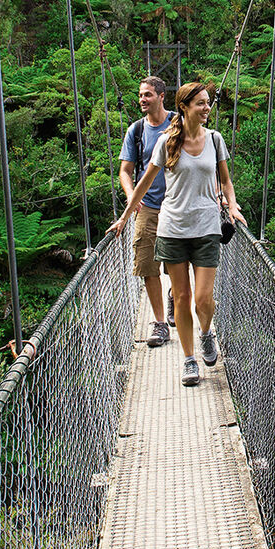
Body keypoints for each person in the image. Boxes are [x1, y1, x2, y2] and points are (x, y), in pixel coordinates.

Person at [108, 82, 246, 386]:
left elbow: (226, 181)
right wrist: (124, 218)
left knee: (203, 299)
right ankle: (188, 359)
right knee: (182, 299)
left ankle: (206, 333)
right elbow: (143, 183)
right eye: (200, 103)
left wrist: (232, 206)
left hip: (207, 228)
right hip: (172, 230)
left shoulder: (215, 139)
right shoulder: (167, 143)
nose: (207, 108)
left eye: (208, 102)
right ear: (184, 107)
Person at [118, 76, 175, 348]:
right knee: (146, 264)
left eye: (148, 95)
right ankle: (160, 323)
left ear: (161, 96)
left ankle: (175, 293)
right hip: (147, 207)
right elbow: (125, 171)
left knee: (180, 262)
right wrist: (132, 197)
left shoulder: (178, 124)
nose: (142, 99)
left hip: (178, 206)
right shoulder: (136, 130)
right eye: (141, 95)